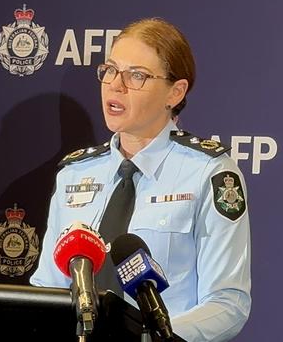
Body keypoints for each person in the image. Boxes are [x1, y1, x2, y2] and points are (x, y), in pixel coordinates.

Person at [30, 18, 251, 342]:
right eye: (110, 70)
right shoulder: (74, 173)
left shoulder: (209, 172)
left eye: (137, 75)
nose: (115, 85)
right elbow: (48, 290)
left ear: (175, 92)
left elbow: (228, 304)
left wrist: (151, 337)